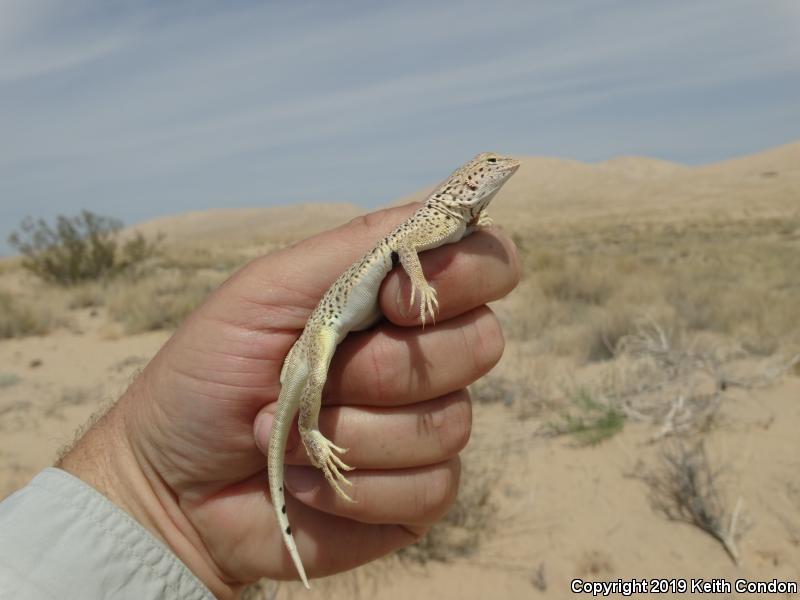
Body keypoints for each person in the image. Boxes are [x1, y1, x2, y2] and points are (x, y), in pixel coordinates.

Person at [0, 204, 520, 599]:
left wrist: (152, 503)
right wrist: (146, 490)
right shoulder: (432, 217)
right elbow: (406, 249)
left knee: (318, 380)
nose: (501, 173)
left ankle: (307, 436)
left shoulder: (454, 220)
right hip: (321, 327)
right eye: (488, 170)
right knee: (313, 379)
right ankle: (311, 435)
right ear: (468, 183)